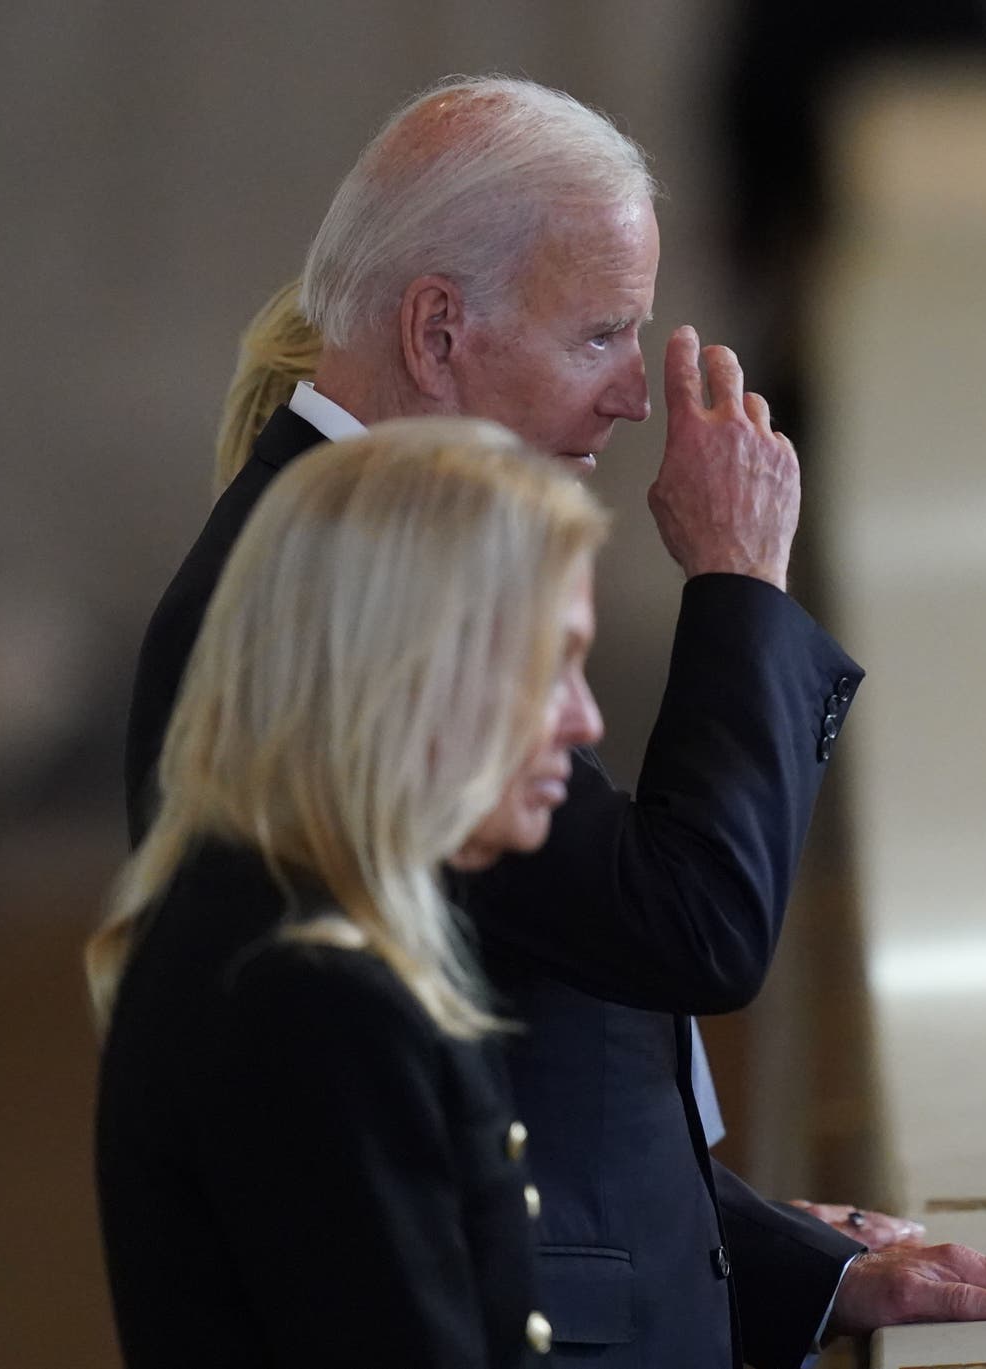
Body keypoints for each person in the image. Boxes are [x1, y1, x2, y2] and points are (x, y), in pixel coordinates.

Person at [125, 77, 986, 1367]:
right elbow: (688, 923)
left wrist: (809, 1267)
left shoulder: (375, 562)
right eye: (599, 335)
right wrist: (742, 581)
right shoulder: (349, 612)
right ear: (438, 332)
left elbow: (544, 1074)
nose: (636, 397)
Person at [91, 421, 608, 1367]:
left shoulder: (279, 924)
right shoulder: (312, 992)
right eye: (553, 663)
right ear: (418, 664)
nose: (586, 718)